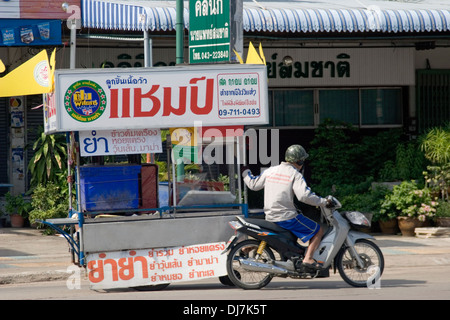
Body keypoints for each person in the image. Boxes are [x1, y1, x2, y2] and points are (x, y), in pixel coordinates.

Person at [242, 144, 330, 270]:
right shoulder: (295, 174)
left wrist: (245, 171)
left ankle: (253, 247)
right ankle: (308, 259)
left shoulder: (271, 170)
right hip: (287, 217)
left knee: (283, 239)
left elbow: (253, 184)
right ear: (299, 161)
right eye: (302, 160)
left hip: (270, 216)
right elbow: (304, 196)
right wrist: (323, 202)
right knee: (318, 230)